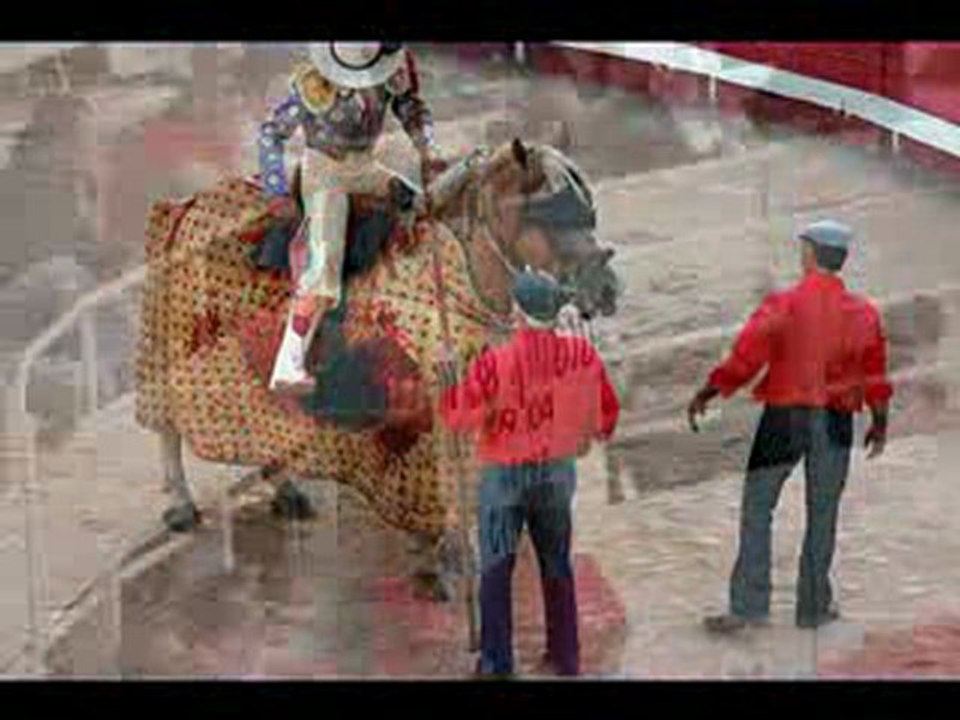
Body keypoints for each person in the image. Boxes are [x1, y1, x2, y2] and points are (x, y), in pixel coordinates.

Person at [687, 220, 893, 633]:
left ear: (810, 254)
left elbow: (746, 358)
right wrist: (879, 421)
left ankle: (749, 609)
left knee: (758, 508)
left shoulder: (783, 303)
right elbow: (874, 375)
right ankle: (813, 607)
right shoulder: (864, 314)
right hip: (835, 421)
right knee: (823, 514)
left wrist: (711, 390)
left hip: (784, 418)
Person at [439, 269, 621, 677]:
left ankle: (497, 663)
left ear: (518, 314)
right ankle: (564, 656)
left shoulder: (494, 363)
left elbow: (458, 418)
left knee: (497, 568)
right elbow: (606, 419)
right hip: (557, 475)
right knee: (557, 564)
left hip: (504, 478)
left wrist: (448, 378)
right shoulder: (583, 355)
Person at [259, 42, 447, 393]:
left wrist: (429, 149)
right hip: (324, 171)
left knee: (421, 206)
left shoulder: (390, 67)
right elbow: (271, 132)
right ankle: (288, 363)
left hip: (365, 166)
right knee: (325, 260)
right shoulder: (311, 82)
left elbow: (411, 109)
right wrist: (276, 190)